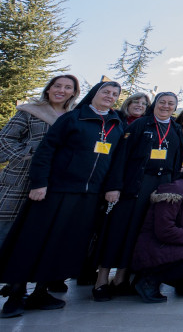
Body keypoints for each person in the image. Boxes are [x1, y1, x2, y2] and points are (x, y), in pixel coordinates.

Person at [0, 80, 124, 319]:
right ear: (94, 94)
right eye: (105, 92)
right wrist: (39, 183)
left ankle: (41, 291)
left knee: (63, 243)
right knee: (34, 241)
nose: (110, 96)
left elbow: (116, 162)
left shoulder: (116, 126)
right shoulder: (72, 118)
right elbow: (47, 150)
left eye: (114, 94)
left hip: (88, 195)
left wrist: (113, 187)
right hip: (56, 190)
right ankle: (16, 293)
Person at [94, 91, 183, 300]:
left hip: (160, 188)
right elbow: (121, 157)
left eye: (171, 103)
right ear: (155, 104)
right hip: (134, 185)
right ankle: (101, 281)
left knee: (139, 233)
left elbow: (176, 161)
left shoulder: (176, 129)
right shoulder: (140, 125)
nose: (166, 106)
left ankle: (121, 280)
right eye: (162, 102)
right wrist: (114, 186)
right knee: (118, 231)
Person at [0, 74, 79, 247]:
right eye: (57, 86)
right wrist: (28, 156)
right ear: (49, 88)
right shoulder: (30, 111)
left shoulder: (75, 118)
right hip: (20, 178)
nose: (61, 90)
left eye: (67, 87)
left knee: (30, 234)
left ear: (74, 93)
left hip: (54, 182)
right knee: (5, 229)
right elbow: (5, 139)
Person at [130, 156, 183, 302]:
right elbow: (164, 230)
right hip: (157, 247)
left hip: (175, 245)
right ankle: (149, 278)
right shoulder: (175, 191)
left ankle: (160, 280)